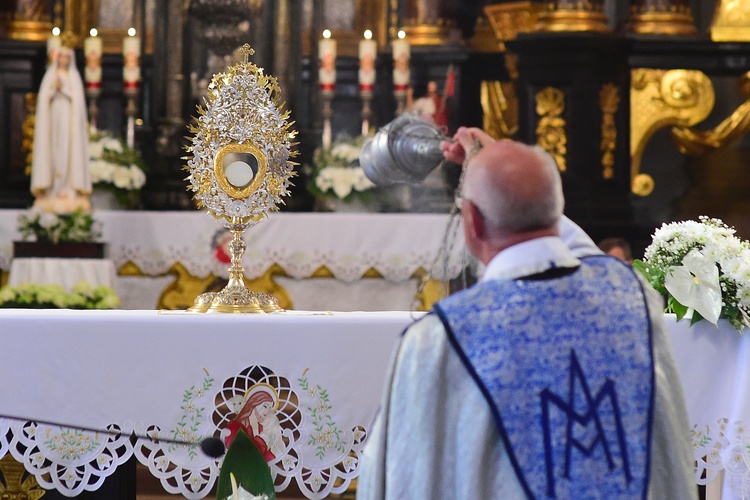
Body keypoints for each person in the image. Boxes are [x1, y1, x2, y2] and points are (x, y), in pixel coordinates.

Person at [357, 128, 697, 499]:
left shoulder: (440, 341)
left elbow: (404, 478)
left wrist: (490, 171)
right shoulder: (630, 297)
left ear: (471, 221)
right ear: (557, 207)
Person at [30, 46, 91, 213]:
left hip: (68, 121)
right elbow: (43, 99)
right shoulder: (50, 76)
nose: (63, 61)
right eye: (61, 57)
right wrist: (53, 90)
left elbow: (77, 101)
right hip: (54, 119)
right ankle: (53, 188)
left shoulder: (73, 77)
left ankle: (66, 188)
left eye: (66, 58)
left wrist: (63, 88)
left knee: (66, 152)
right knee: (54, 152)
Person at [222, 386, 284, 462]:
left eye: (269, 408)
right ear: (254, 403)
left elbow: (263, 459)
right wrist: (262, 439)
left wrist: (275, 452)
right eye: (265, 406)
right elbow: (241, 455)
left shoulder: (261, 428)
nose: (267, 411)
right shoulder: (234, 426)